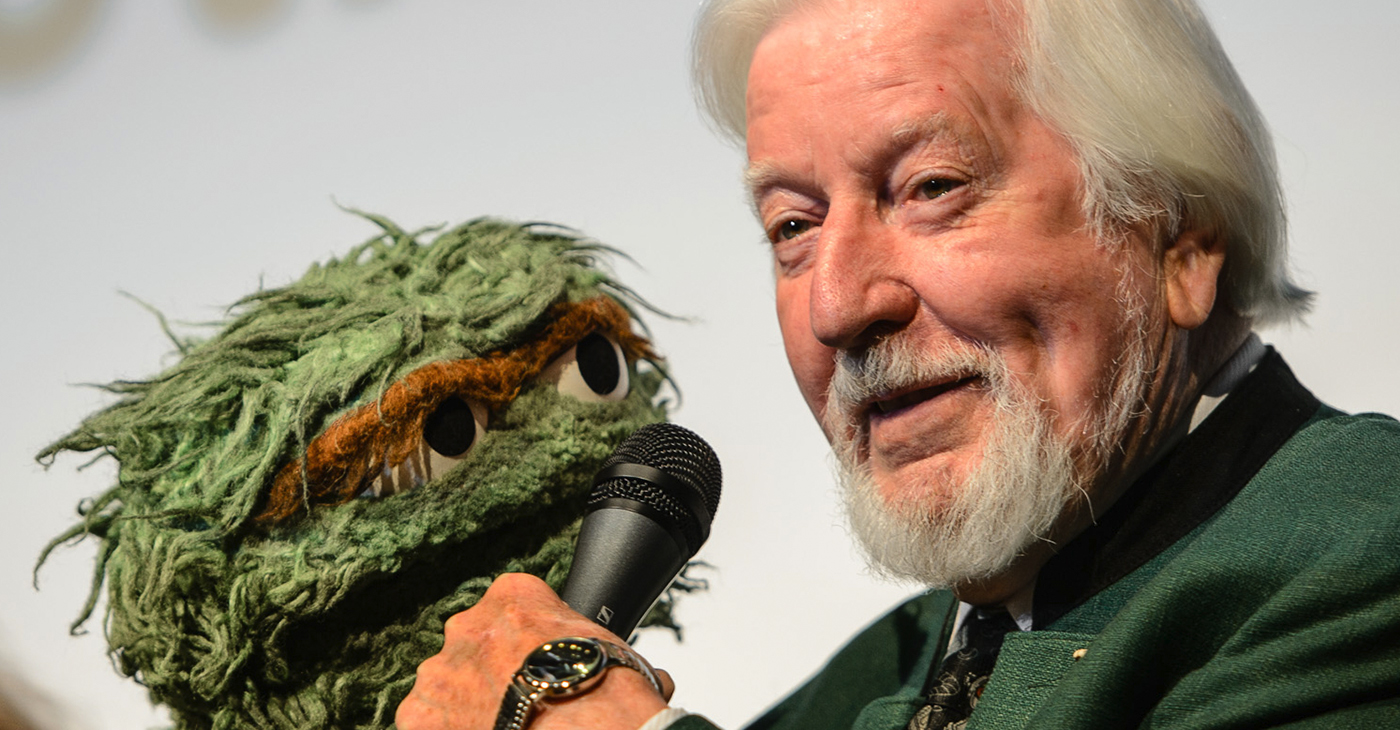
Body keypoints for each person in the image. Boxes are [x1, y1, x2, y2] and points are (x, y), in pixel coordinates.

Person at [395, 0, 1400, 728]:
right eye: (791, 225)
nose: (837, 304)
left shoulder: (1359, 552)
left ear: (1181, 235)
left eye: (929, 186)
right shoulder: (881, 676)